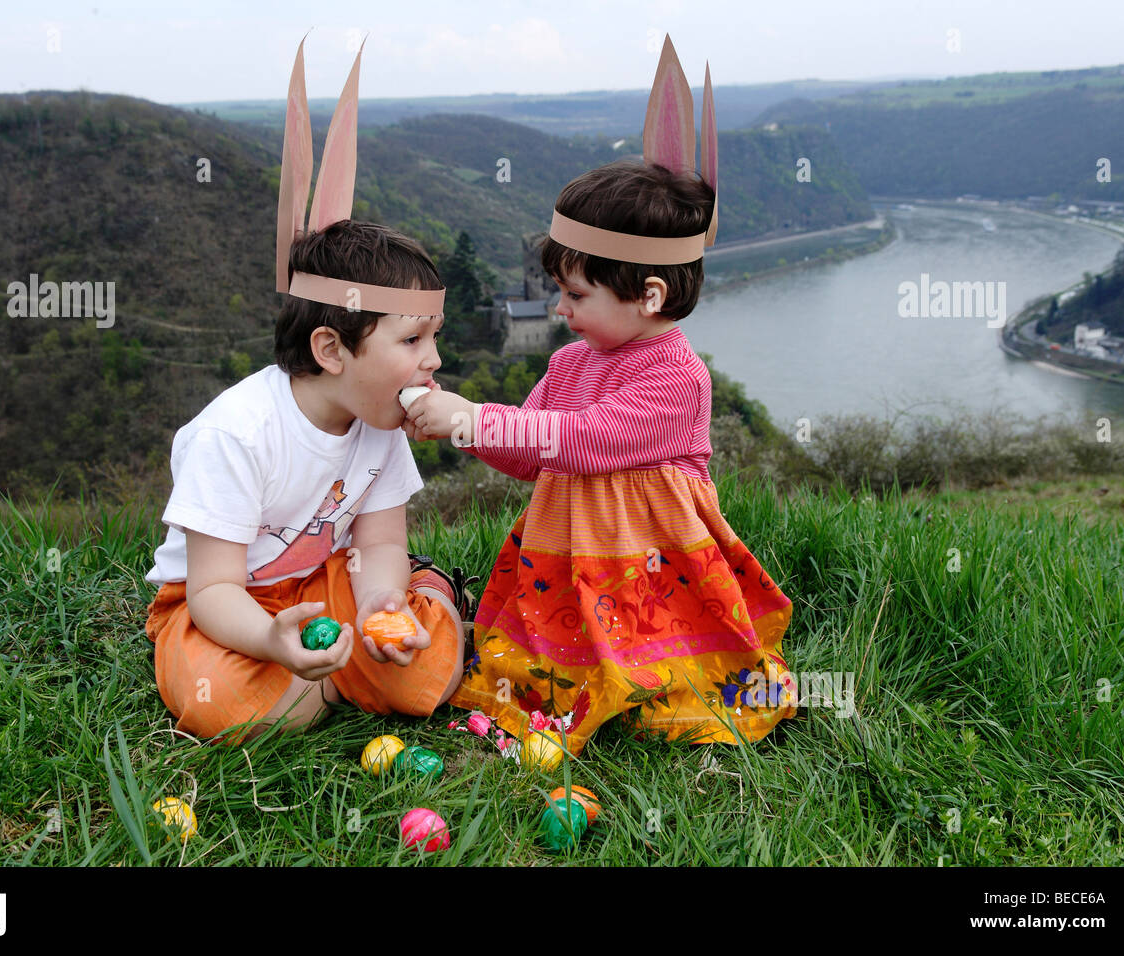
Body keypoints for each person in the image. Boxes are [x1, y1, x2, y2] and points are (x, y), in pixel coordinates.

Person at [404, 37, 797, 756]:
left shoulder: (677, 378)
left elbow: (583, 444)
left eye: (576, 293)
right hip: (569, 558)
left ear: (649, 295)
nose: (559, 308)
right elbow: (530, 453)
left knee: (669, 674)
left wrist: (471, 414)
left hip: (651, 569)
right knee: (544, 664)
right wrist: (463, 426)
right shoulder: (572, 363)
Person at [143, 39, 471, 744]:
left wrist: (385, 605)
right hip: (228, 605)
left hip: (332, 582)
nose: (433, 361)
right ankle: (312, 678)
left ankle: (428, 599)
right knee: (227, 707)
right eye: (412, 341)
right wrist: (270, 642)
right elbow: (213, 589)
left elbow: (380, 541)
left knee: (425, 677)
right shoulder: (236, 433)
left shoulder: (378, 421)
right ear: (331, 350)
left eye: (433, 338)